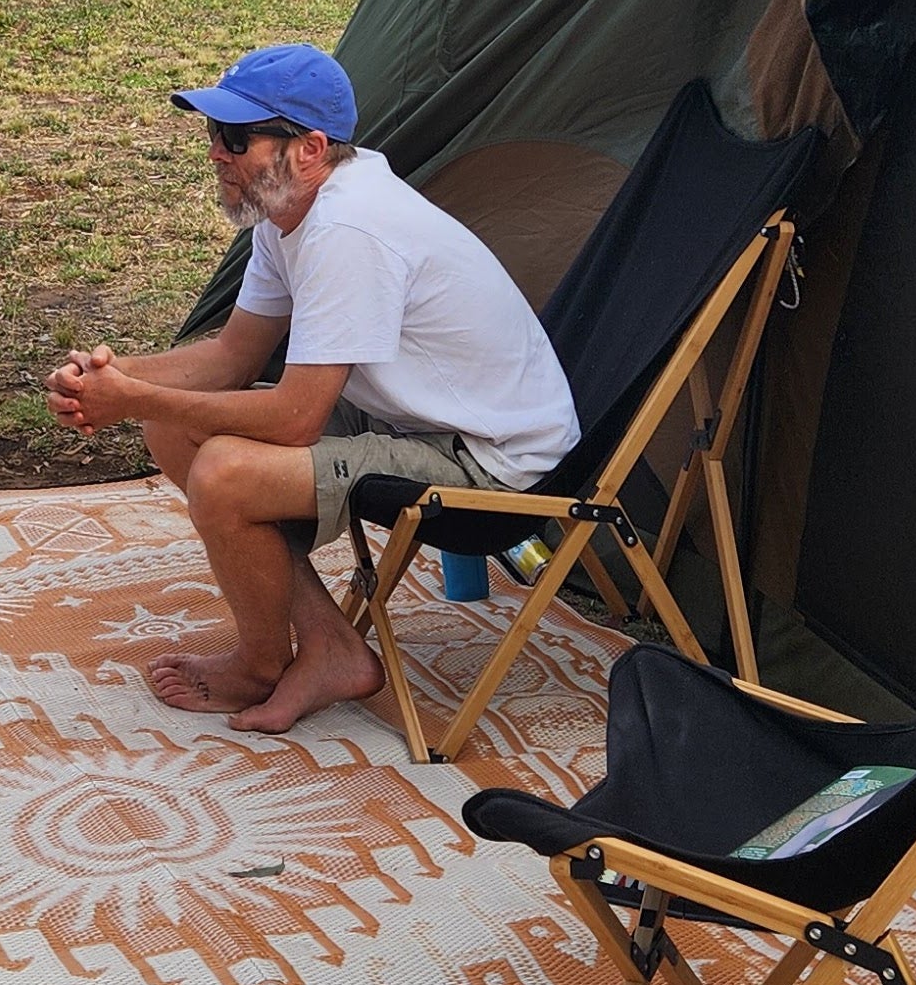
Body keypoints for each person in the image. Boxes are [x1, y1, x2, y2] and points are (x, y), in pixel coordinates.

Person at [48, 41, 578, 731]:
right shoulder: (289, 210)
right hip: (417, 422)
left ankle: (260, 665)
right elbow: (233, 357)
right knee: (175, 428)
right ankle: (329, 646)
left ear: (310, 147)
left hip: (488, 460)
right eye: (213, 133)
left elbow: (295, 419)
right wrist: (105, 379)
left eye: (236, 137)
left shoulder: (348, 227)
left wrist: (132, 397)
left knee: (226, 473)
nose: (215, 152)